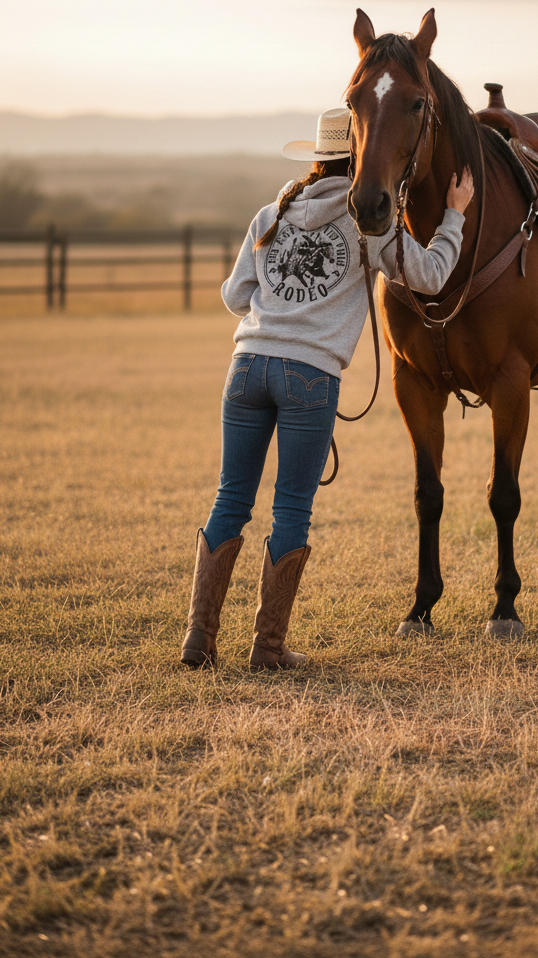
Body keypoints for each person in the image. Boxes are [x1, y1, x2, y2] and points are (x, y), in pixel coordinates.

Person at [180, 107, 474, 672]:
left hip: (246, 367)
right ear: (361, 155)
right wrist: (455, 216)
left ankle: (199, 640)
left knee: (230, 500)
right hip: (309, 375)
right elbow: (433, 275)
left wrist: (278, 295)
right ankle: (267, 649)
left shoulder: (272, 211)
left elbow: (234, 297)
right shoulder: (371, 223)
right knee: (292, 506)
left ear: (314, 156)